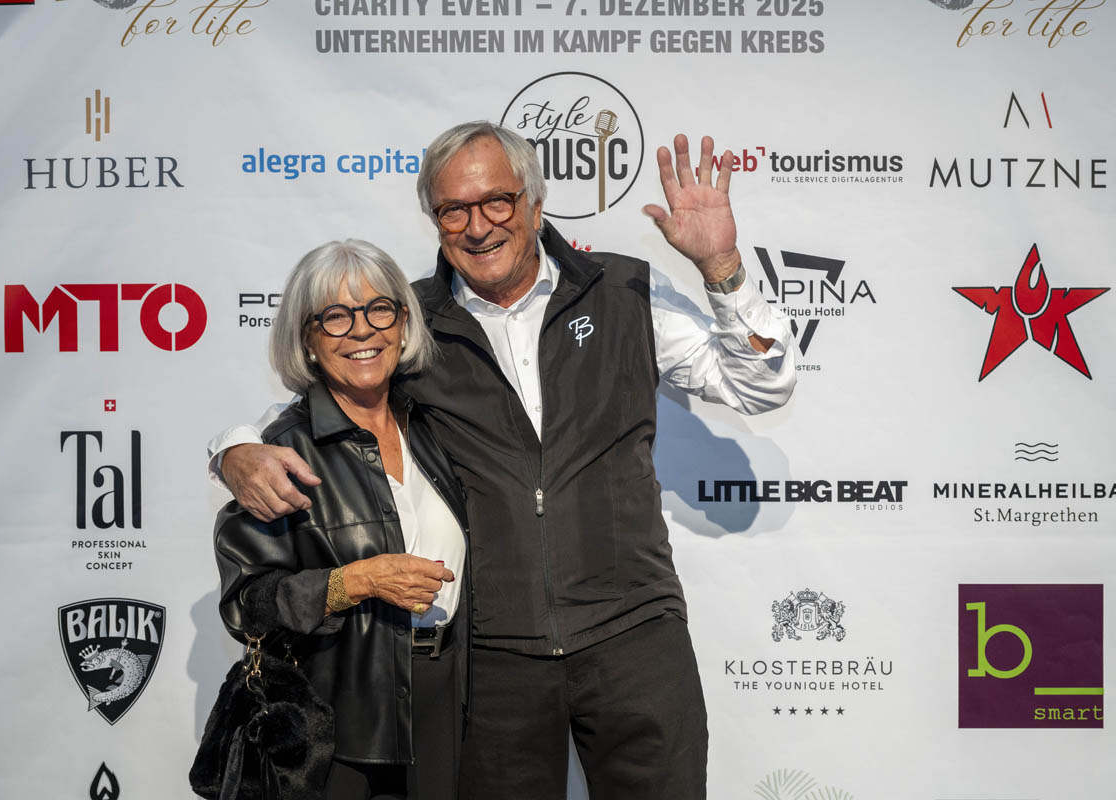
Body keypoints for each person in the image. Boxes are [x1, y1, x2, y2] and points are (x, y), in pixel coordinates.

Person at [209, 122, 796, 799]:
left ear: (535, 205)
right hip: (492, 661)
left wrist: (722, 269)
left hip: (635, 637)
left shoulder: (623, 290)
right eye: (453, 210)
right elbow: (318, 406)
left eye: (496, 201)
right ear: (435, 223)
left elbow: (761, 388)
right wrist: (235, 450)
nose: (478, 225)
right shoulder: (412, 323)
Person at [214, 239, 468, 800]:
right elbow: (246, 605)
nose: (361, 331)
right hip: (334, 721)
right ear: (307, 339)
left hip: (446, 704)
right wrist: (354, 582)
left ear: (403, 323)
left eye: (379, 309)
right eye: (335, 316)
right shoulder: (280, 453)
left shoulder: (436, 427)